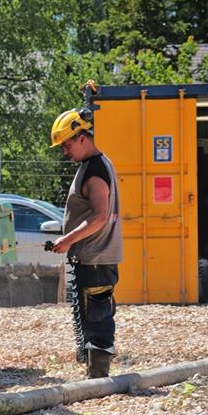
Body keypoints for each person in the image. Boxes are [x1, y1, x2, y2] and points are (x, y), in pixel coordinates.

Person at [49, 108, 122, 378]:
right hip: (91, 259)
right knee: (93, 317)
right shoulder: (94, 166)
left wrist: (67, 240)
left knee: (98, 320)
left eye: (67, 145)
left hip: (96, 259)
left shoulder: (95, 171)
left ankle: (99, 380)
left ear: (82, 138)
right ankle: (94, 376)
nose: (65, 152)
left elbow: (100, 216)